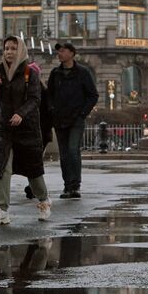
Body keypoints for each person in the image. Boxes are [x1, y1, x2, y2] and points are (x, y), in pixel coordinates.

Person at [0, 35, 52, 225]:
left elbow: (35, 100)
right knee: (2, 168)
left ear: (21, 50)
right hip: (4, 129)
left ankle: (44, 200)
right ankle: (1, 209)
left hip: (27, 131)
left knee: (32, 171)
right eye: (6, 48)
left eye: (13, 48)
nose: (9, 52)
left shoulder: (29, 73)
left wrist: (21, 114)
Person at [46, 41, 97, 199]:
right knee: (64, 154)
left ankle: (75, 186)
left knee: (73, 151)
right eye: (58, 51)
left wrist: (82, 113)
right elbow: (49, 95)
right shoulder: (55, 73)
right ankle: (67, 186)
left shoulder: (83, 72)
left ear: (71, 53)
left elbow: (93, 95)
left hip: (76, 120)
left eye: (62, 51)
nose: (59, 54)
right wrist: (52, 110)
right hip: (60, 120)